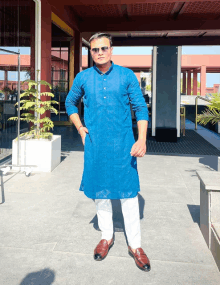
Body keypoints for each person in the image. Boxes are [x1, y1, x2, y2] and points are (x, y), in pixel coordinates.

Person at [65, 32, 150, 272]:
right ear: (90, 52)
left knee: (129, 194)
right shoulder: (83, 78)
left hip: (124, 144)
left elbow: (140, 108)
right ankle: (107, 237)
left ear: (111, 50)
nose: (100, 52)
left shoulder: (126, 76)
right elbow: (70, 103)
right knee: (101, 193)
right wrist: (80, 128)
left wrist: (142, 139)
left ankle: (135, 246)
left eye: (104, 48)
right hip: (95, 145)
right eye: (95, 49)